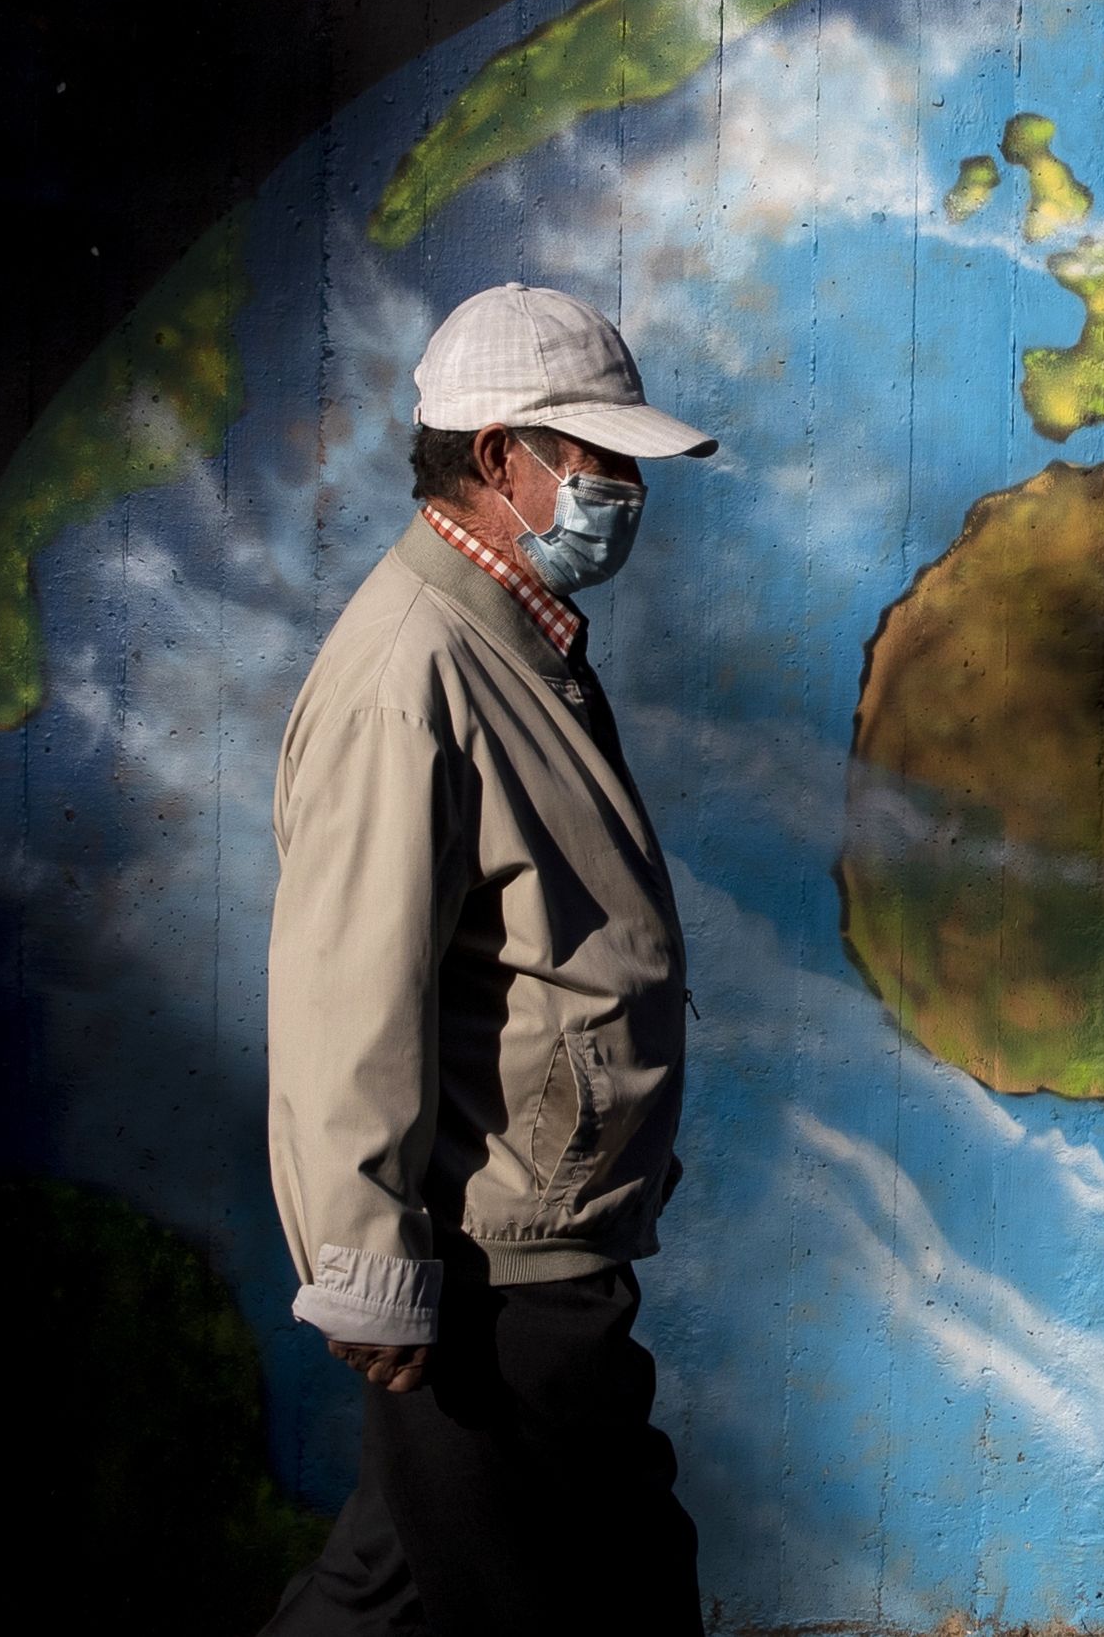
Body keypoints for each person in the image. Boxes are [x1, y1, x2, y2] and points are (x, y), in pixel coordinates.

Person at [263, 282, 714, 1635]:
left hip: (529, 1231)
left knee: (395, 1582)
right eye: (600, 458)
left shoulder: (511, 636)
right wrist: (361, 1259)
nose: (627, 486)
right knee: (605, 1591)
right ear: (502, 453)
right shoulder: (417, 668)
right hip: (495, 1259)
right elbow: (348, 985)